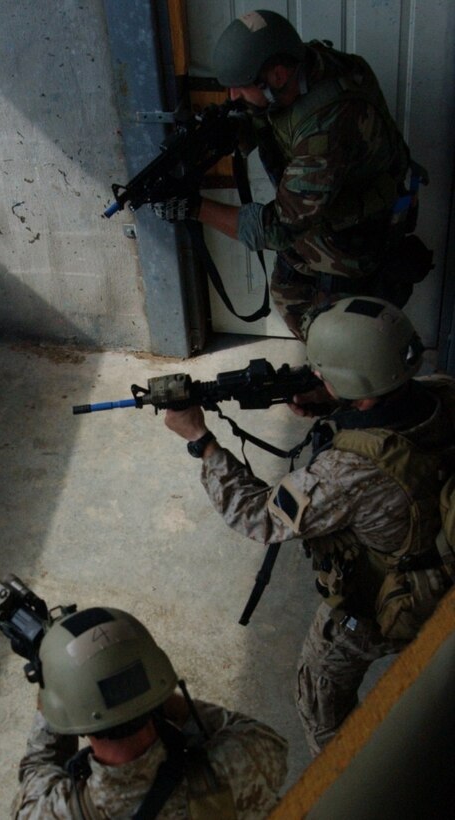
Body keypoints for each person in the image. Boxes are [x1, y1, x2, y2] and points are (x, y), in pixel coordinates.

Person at [163, 296, 455, 755]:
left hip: (389, 602)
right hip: (441, 563)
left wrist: (201, 441)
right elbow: (384, 416)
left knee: (320, 704)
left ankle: (349, 778)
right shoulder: (442, 391)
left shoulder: (346, 472)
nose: (315, 375)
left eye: (321, 372)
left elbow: (258, 517)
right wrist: (337, 404)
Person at [152, 10, 432, 339]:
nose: (232, 97)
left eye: (240, 87)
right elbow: (278, 118)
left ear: (278, 75)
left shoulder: (326, 127)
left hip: (355, 245)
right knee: (290, 291)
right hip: (329, 218)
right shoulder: (309, 62)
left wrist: (194, 208)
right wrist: (228, 133)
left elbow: (278, 228)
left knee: (342, 345)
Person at [12, 605, 288, 818]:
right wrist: (157, 699)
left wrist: (52, 675)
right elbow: (266, 741)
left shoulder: (51, 812)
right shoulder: (241, 764)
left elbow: (37, 769)